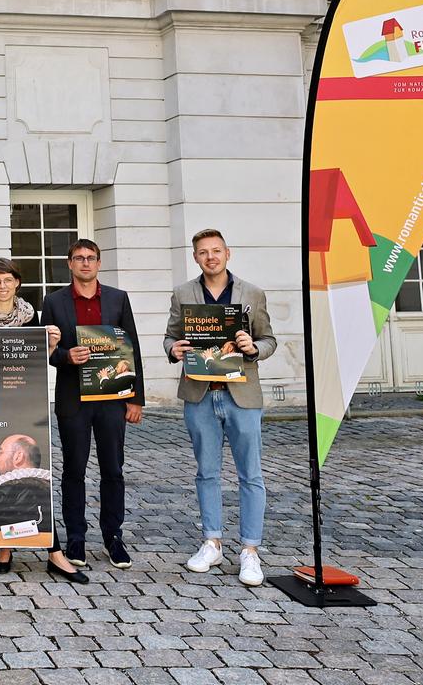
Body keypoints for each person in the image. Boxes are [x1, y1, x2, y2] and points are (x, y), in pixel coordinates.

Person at [0, 258, 85, 582]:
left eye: (7, 280)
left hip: (24, 405)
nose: (2, 286)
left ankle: (53, 552)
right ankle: (6, 547)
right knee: (1, 479)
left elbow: (36, 362)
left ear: (17, 283)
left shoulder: (32, 318)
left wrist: (52, 344)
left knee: (28, 479)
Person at [163, 229, 277, 586]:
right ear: (195, 257)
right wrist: (173, 349)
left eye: (216, 251)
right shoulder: (183, 293)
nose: (210, 257)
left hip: (241, 394)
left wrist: (253, 346)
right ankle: (211, 541)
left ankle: (250, 551)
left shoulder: (252, 293)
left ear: (228, 253)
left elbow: (270, 339)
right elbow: (170, 336)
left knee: (250, 474)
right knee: (206, 472)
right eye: (203, 252)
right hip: (200, 393)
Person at [42, 239, 144, 570]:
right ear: (69, 264)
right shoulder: (54, 301)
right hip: (74, 399)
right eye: (78, 258)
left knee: (113, 469)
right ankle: (76, 538)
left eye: (91, 258)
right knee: (73, 470)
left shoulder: (117, 298)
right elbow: (47, 352)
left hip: (112, 399)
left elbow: (132, 347)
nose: (85, 263)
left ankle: (113, 536)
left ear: (99, 263)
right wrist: (65, 356)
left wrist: (136, 398)